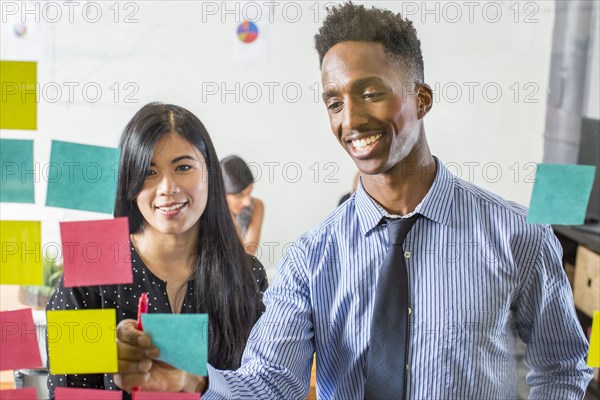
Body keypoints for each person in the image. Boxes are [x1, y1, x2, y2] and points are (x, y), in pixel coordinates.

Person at [114, 4, 593, 399]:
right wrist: (189, 380)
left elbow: (562, 370)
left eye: (370, 93)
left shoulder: (517, 236)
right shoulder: (310, 258)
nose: (352, 119)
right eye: (335, 102)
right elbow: (271, 385)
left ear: (421, 99)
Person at [46, 103, 268, 399]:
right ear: (129, 184)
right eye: (148, 172)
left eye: (183, 167)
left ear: (210, 174)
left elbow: (263, 388)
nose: (167, 187)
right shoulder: (89, 274)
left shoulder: (248, 274)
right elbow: (69, 393)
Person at [220, 155, 265, 256]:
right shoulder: (206, 212)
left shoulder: (256, 206)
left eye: (249, 192)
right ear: (220, 193)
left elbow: (248, 253)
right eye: (239, 195)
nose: (247, 202)